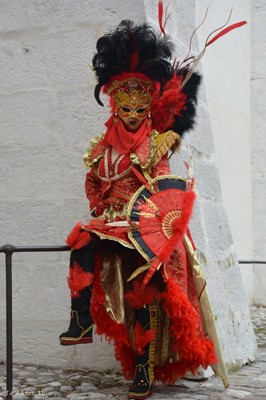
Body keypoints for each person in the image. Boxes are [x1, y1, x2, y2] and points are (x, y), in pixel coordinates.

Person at [59, 19, 229, 400]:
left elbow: (163, 194)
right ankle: (80, 318)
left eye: (140, 107)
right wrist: (102, 206)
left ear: (148, 105)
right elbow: (93, 185)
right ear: (115, 103)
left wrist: (148, 218)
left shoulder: (155, 144)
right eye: (126, 106)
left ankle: (143, 369)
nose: (133, 114)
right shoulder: (101, 148)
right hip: (111, 225)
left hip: (143, 233)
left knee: (142, 290)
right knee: (80, 240)